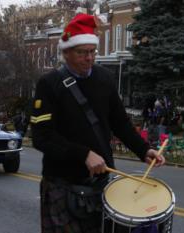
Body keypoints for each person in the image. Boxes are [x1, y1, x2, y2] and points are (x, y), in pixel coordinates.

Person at [30, 14, 165, 233]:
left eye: (92, 51)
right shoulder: (49, 84)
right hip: (62, 185)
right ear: (66, 52)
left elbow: (120, 122)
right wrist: (83, 154)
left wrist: (144, 150)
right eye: (82, 52)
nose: (89, 58)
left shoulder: (104, 78)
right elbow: (41, 137)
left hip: (100, 187)